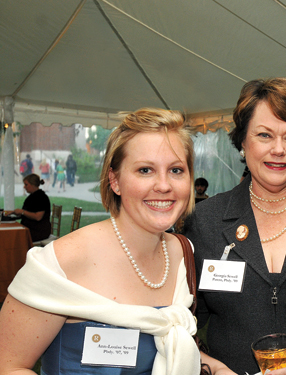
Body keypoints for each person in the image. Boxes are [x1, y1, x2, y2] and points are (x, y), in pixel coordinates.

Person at [0, 108, 235, 375]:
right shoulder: (61, 262)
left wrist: (217, 369)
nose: (163, 185)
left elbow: (165, 344)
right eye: (145, 170)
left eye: (176, 170)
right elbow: (8, 365)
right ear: (115, 180)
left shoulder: (183, 252)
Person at [185, 78, 286, 375]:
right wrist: (215, 369)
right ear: (243, 141)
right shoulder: (206, 220)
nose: (278, 150)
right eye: (264, 135)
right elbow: (179, 328)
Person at [5, 173, 51, 242]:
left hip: (39, 231)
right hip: (30, 228)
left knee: (11, 238)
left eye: (26, 184)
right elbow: (27, 213)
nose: (24, 187)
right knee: (9, 235)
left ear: (33, 185)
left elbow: (38, 217)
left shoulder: (41, 198)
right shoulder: (31, 197)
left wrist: (22, 212)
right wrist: (14, 212)